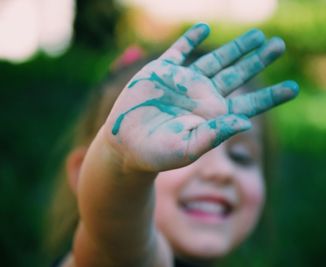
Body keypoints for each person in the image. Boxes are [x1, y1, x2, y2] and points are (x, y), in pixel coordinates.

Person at [45, 22, 299, 267]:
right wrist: (118, 164)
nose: (222, 171)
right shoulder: (122, 258)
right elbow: (117, 239)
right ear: (83, 173)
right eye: (187, 152)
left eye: (241, 156)